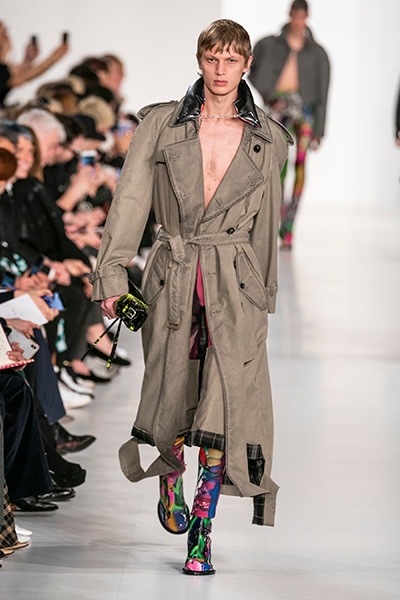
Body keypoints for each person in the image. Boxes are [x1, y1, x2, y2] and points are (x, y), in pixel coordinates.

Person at [90, 19, 292, 576]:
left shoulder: (268, 138)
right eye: (212, 59)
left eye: (231, 60)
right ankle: (170, 473)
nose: (221, 70)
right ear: (200, 61)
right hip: (174, 271)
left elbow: (266, 224)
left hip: (235, 279)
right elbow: (130, 202)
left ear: (246, 64)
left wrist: (264, 296)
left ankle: (201, 533)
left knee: (225, 402)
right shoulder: (161, 125)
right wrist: (112, 277)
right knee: (171, 388)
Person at [249, 0, 330, 249]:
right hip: (279, 107)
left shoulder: (318, 54)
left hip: (304, 112)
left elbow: (323, 92)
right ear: (290, 15)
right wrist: (267, 94)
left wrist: (319, 130)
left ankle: (289, 226)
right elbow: (251, 69)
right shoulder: (269, 44)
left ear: (307, 17)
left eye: (302, 15)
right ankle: (278, 219)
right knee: (276, 164)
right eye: (295, 15)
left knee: (301, 165)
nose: (298, 20)